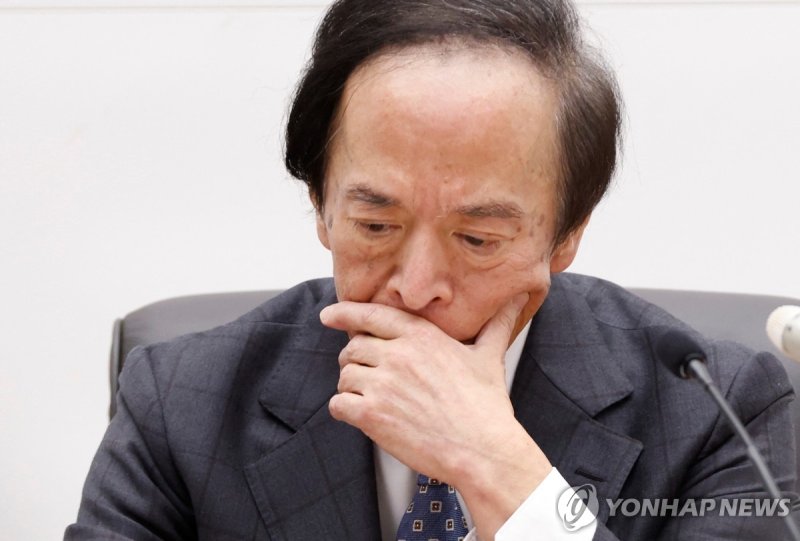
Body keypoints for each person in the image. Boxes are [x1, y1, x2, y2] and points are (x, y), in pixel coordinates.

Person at [66, 0, 796, 539]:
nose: (414, 288)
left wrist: (500, 469)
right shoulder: (181, 402)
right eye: (375, 226)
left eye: (477, 238)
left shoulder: (723, 413)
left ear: (567, 234)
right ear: (320, 206)